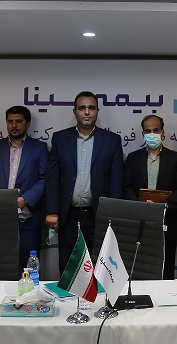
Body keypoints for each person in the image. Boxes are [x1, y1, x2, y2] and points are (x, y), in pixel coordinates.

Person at [45, 91, 123, 272]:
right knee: (69, 269)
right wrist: (52, 211)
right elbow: (52, 178)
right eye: (82, 108)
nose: (87, 112)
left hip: (99, 217)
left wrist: (111, 215)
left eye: (91, 108)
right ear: (75, 112)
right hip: (68, 217)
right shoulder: (60, 139)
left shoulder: (112, 140)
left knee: (99, 270)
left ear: (97, 111)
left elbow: (116, 182)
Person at [0, 105, 47, 270]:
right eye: (10, 122)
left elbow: (44, 179)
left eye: (18, 121)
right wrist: (2, 199)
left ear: (28, 124)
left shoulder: (39, 148)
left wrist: (26, 199)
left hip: (28, 218)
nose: (14, 125)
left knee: (28, 267)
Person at [123, 115, 177, 279]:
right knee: (140, 272)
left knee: (166, 273)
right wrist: (140, 205)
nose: (152, 134)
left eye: (156, 130)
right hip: (140, 223)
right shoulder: (133, 158)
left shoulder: (176, 159)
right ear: (143, 134)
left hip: (167, 223)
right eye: (148, 131)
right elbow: (126, 187)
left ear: (162, 133)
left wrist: (163, 206)